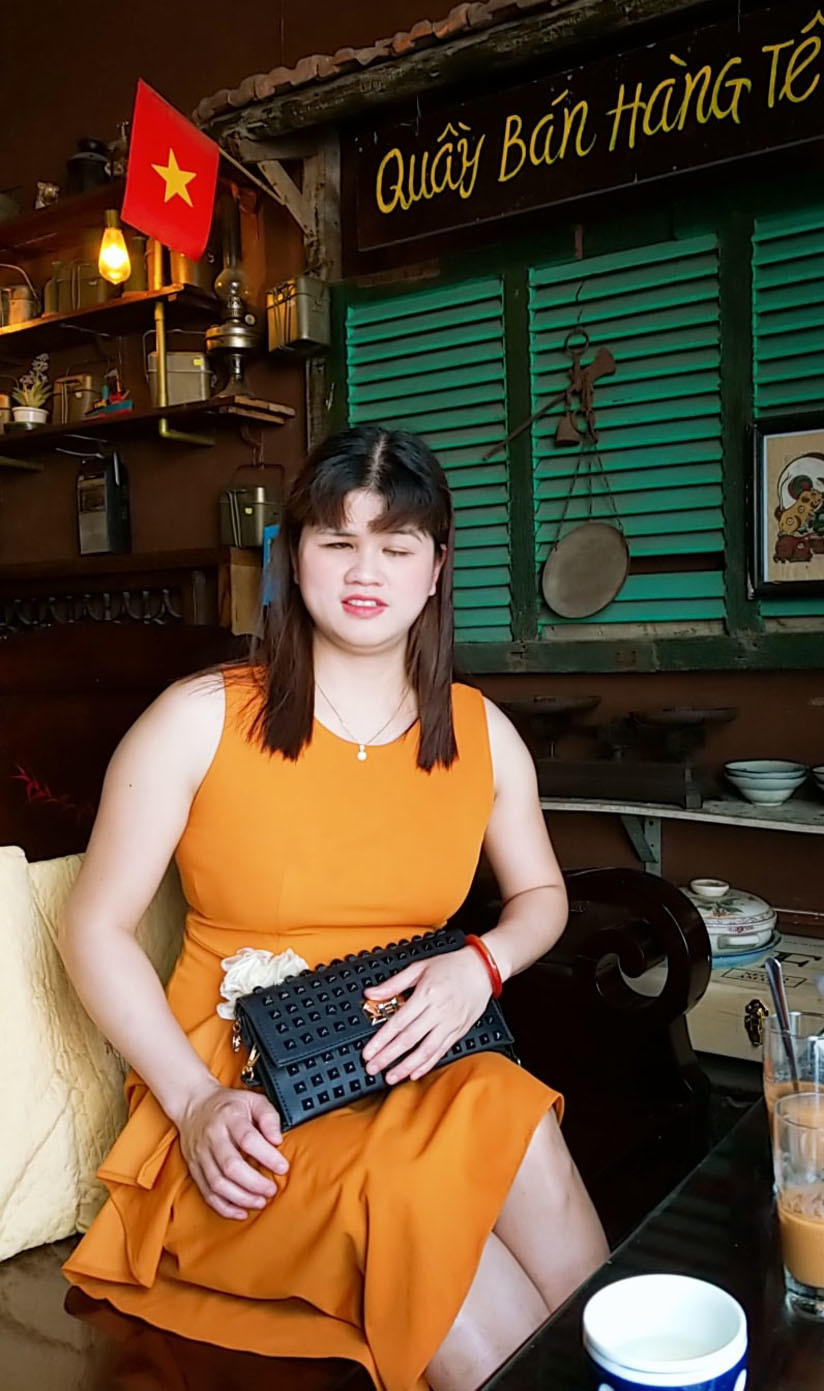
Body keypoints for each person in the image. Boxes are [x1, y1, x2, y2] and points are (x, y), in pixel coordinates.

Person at [59, 425, 610, 1391]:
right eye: (338, 540)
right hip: (243, 1095)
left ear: (436, 569)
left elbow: (541, 897)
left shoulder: (480, 733)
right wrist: (192, 1102)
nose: (366, 571)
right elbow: (91, 928)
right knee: (414, 1212)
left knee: (517, 1116)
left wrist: (480, 963)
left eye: (397, 546)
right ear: (293, 554)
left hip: (413, 1057)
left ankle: (635, 1365)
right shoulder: (198, 718)